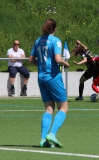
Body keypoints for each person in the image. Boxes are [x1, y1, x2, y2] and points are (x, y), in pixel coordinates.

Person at [29, 19, 69, 148]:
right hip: (53, 76)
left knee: (49, 108)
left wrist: (41, 65)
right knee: (63, 107)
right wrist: (65, 63)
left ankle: (42, 140)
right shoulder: (56, 40)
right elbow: (58, 59)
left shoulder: (38, 40)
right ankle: (52, 134)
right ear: (55, 29)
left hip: (41, 77)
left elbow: (31, 60)